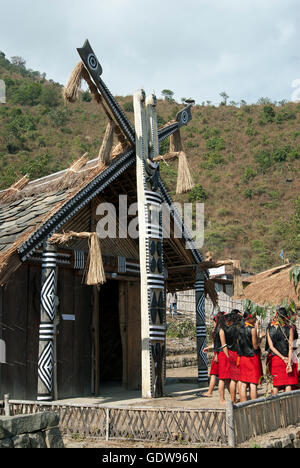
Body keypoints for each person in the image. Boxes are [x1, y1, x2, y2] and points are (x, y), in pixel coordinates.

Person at [266, 307, 299, 395]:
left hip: (275, 359)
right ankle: (287, 406)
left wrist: (281, 357)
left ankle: (275, 406)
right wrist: (288, 361)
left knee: (276, 384)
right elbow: (290, 346)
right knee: (288, 383)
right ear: (285, 317)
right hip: (288, 357)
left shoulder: (269, 328)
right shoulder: (289, 328)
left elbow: (271, 347)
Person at [204, 312, 230, 404]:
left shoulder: (215, 331)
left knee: (223, 378)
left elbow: (216, 344)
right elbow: (223, 345)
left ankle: (232, 397)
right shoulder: (221, 330)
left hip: (218, 353)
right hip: (221, 354)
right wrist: (228, 356)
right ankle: (221, 398)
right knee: (223, 378)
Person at [237, 311, 263, 402]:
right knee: (253, 383)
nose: (255, 320)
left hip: (243, 358)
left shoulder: (239, 329)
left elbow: (238, 344)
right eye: (254, 318)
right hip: (252, 358)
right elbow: (255, 346)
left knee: (243, 382)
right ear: (249, 318)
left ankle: (243, 403)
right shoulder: (252, 330)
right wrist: (260, 338)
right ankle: (253, 404)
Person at [225, 312, 241, 403]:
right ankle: (239, 398)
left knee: (232, 379)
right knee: (238, 378)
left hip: (230, 352)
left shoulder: (227, 329)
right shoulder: (238, 329)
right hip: (237, 353)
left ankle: (232, 398)